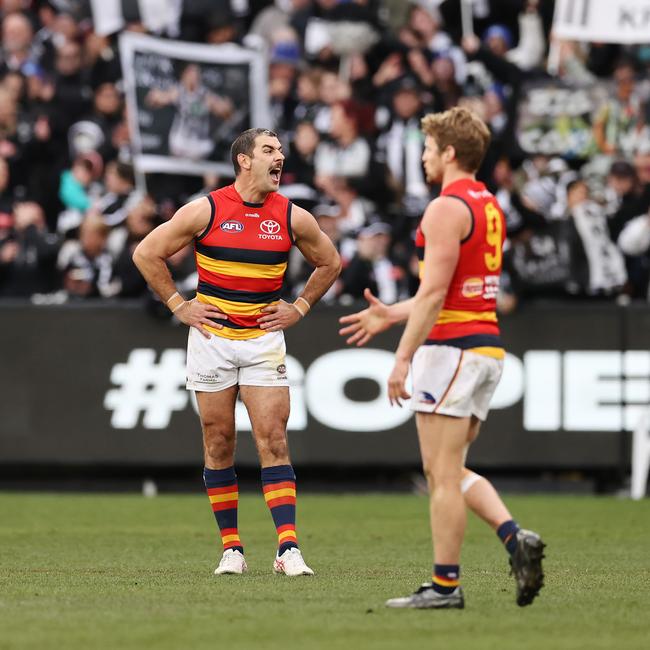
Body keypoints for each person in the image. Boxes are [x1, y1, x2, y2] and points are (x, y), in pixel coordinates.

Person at [339, 107, 545, 609]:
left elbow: (433, 296)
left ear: (450, 153)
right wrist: (391, 313)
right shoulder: (487, 205)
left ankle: (445, 586)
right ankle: (514, 538)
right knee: (448, 470)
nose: (424, 157)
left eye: (429, 149)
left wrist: (402, 358)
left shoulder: (444, 208)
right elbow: (450, 290)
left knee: (442, 476)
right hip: (484, 347)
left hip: (451, 349)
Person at [133, 128, 341, 577]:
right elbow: (147, 253)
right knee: (218, 440)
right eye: (269, 150)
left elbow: (331, 261)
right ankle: (232, 549)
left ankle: (288, 548)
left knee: (274, 438)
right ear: (244, 161)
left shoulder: (291, 216)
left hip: (263, 339)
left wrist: (300, 307)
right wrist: (179, 306)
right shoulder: (206, 209)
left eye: (281, 150)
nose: (280, 156)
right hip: (212, 339)